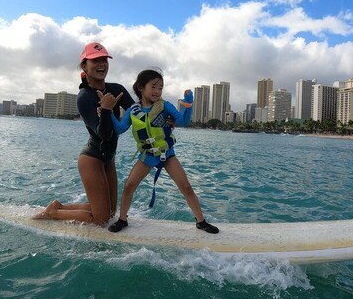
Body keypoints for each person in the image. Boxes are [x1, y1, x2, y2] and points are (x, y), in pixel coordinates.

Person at [33, 42, 135, 225]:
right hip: (92, 159)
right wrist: (105, 110)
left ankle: (59, 207)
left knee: (111, 213)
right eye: (95, 60)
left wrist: (165, 118)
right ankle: (52, 214)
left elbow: (139, 113)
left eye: (104, 59)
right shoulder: (85, 97)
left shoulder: (117, 89)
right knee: (101, 220)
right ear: (84, 66)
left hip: (108, 158)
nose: (101, 64)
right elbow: (102, 134)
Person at [107, 68, 219, 234]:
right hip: (147, 155)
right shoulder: (133, 111)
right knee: (129, 186)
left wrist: (188, 103)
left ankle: (201, 221)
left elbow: (183, 121)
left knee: (186, 187)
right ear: (140, 87)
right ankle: (122, 220)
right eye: (153, 87)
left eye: (160, 87)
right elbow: (119, 129)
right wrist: (108, 111)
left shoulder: (165, 106)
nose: (157, 91)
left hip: (167, 154)